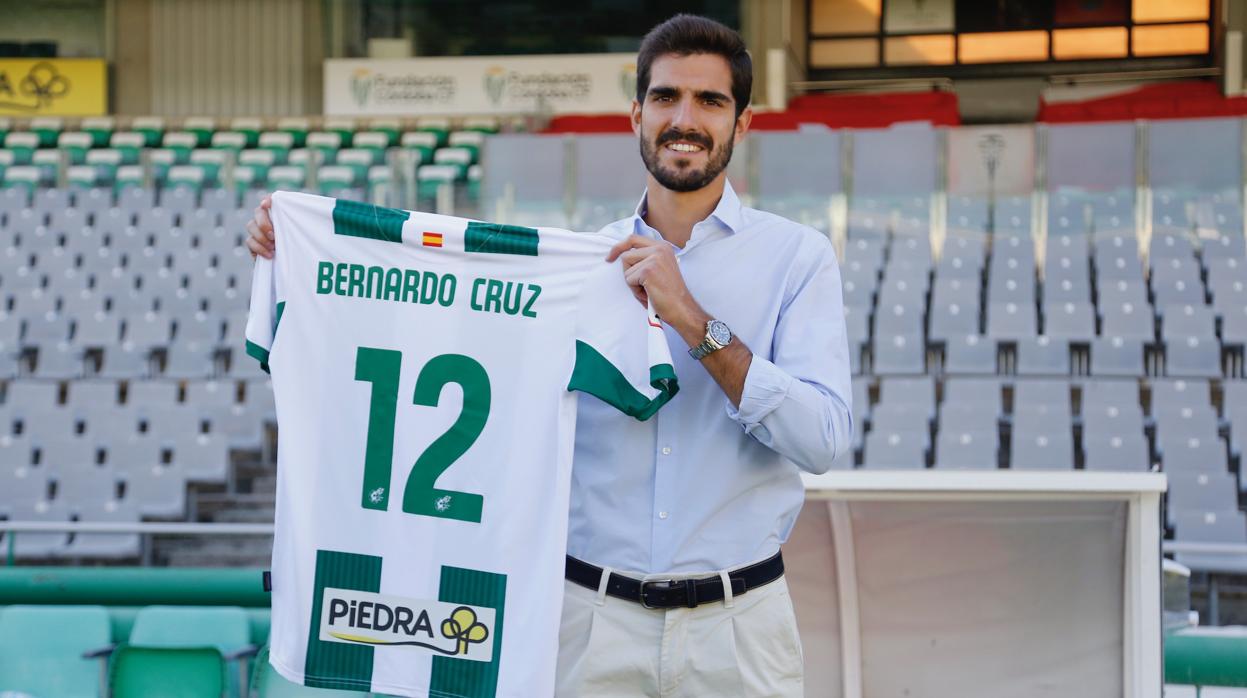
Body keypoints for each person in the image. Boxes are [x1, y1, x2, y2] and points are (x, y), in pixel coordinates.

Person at [247, 13, 851, 697]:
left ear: (741, 125)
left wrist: (690, 318)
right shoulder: (575, 272)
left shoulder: (796, 259)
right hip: (587, 623)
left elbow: (820, 438)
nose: (685, 118)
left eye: (710, 101)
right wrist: (296, 249)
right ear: (636, 115)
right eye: (665, 97)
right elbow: (430, 312)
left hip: (739, 630)